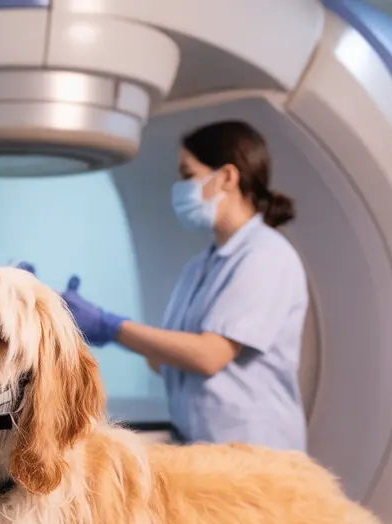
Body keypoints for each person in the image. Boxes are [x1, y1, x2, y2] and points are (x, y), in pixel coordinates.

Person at [61, 120, 308, 451]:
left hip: (258, 452)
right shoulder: (200, 267)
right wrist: (85, 326)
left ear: (227, 177)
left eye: (188, 175)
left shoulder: (266, 256)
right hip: (205, 447)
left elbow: (209, 356)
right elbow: (163, 361)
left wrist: (111, 325)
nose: (179, 186)